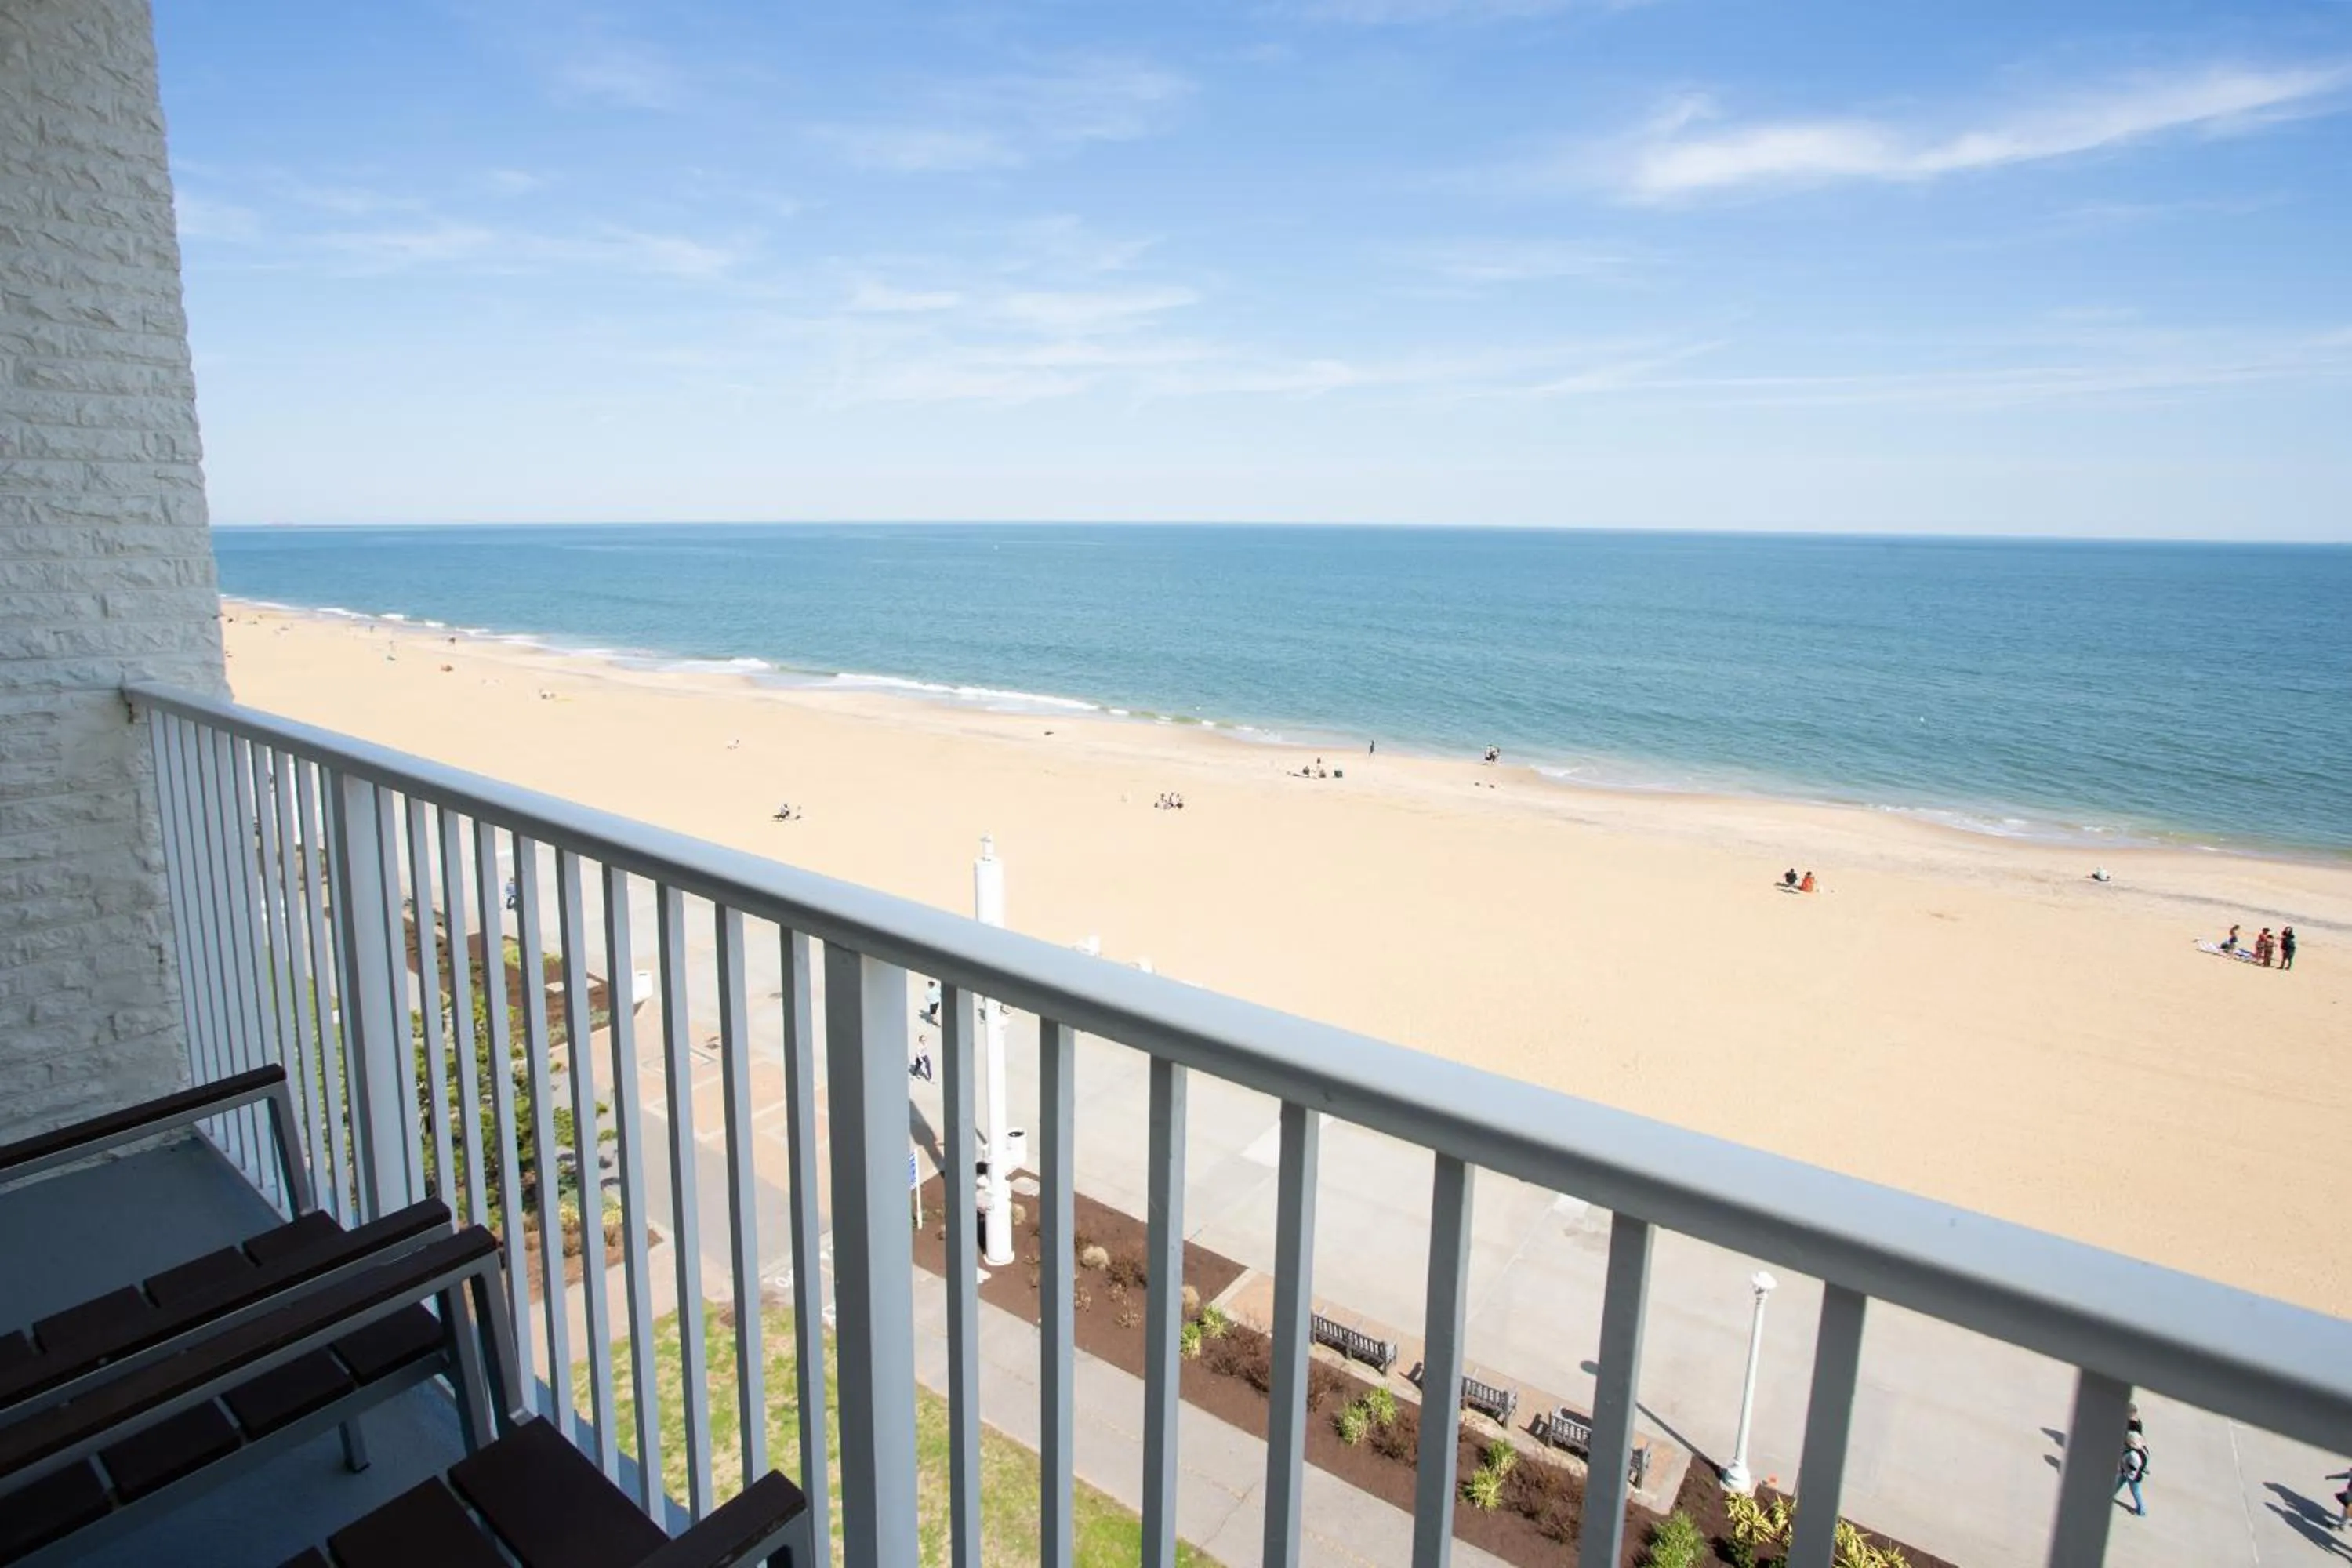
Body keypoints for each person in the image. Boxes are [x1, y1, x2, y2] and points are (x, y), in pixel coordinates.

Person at [2114, 1417, 2150, 1516]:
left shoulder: (2133, 1455)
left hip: (2132, 1476)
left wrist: (2123, 1468)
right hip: (2128, 1473)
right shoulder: (2143, 1449)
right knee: (2118, 1483)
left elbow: (2132, 1468)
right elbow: (2146, 1460)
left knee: (2135, 1492)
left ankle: (2141, 1510)